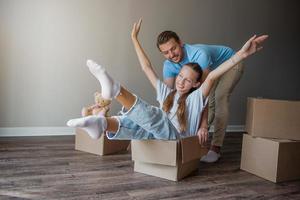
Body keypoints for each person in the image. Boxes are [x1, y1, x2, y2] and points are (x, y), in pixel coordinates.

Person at [67, 19, 268, 142]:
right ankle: (101, 124)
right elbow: (147, 68)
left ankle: (116, 90)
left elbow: (214, 75)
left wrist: (241, 54)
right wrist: (134, 39)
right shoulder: (168, 93)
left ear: (196, 84)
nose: (181, 82)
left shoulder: (196, 98)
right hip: (159, 134)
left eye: (187, 80)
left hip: (176, 138)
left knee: (155, 118)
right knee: (139, 127)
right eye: (180, 76)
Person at [157, 29, 256, 162]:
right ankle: (199, 143)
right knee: (207, 105)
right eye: (165, 52)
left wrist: (203, 127)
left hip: (232, 63)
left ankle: (215, 148)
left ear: (180, 43)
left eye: (173, 48)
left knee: (219, 98)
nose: (171, 54)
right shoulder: (168, 65)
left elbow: (204, 98)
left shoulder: (199, 55)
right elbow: (168, 98)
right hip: (213, 71)